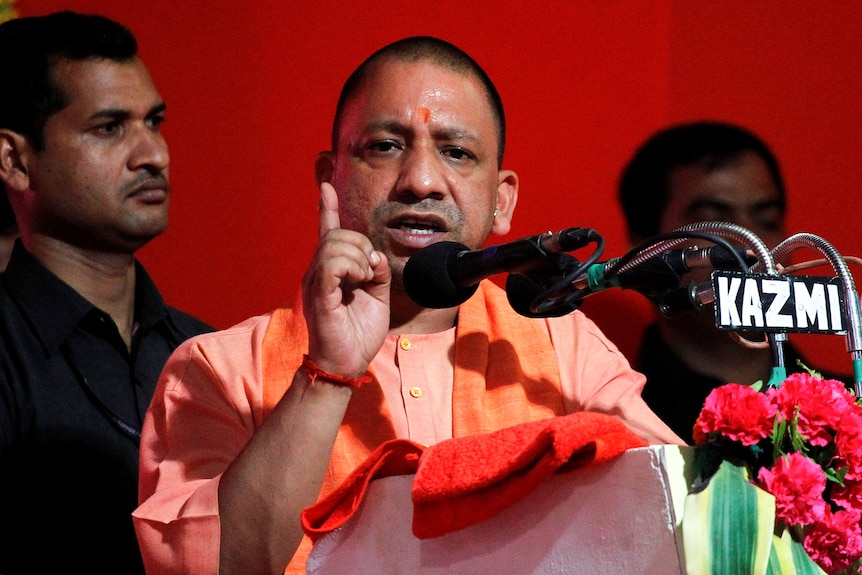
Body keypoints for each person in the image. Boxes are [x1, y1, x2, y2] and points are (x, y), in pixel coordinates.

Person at [134, 36, 683, 575]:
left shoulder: (565, 350)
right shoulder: (217, 369)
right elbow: (217, 566)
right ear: (330, 178)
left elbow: (684, 516)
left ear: (503, 199)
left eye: (457, 152)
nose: (421, 182)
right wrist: (327, 374)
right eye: (385, 146)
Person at [0, 12, 213, 574]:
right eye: (109, 127)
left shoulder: (211, 353)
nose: (155, 156)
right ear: (15, 160)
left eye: (155, 122)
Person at [617, 120, 846, 443]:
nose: (752, 243)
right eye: (716, 222)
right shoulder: (616, 419)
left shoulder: (851, 413)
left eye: (766, 220)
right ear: (644, 248)